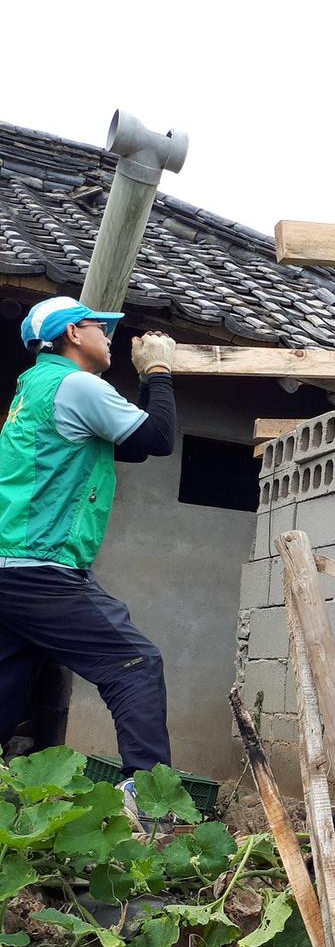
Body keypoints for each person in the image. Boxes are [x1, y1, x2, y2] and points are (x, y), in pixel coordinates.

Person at [0, 296, 177, 818]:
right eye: (102, 328)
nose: (111, 337)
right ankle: (146, 804)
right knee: (136, 663)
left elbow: (135, 446)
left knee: (8, 690)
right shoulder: (77, 385)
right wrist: (160, 370)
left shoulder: (34, 386)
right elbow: (161, 438)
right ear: (73, 334)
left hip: (11, 564)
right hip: (41, 565)